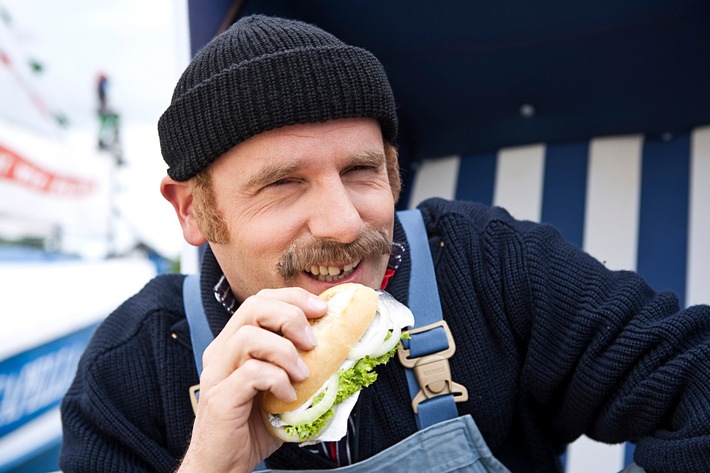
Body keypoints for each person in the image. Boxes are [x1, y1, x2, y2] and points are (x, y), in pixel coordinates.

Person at [60, 14, 710, 473]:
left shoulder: (491, 266)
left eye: (361, 171)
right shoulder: (135, 367)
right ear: (192, 210)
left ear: (394, 172)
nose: (344, 222)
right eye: (284, 183)